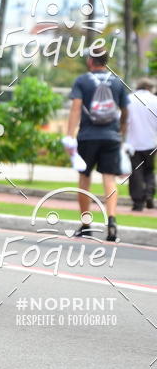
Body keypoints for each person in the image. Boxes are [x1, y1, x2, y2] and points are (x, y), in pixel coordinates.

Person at [66, 50, 128, 242]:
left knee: (84, 179)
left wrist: (69, 135)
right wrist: (121, 132)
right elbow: (125, 110)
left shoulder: (82, 81)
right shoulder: (117, 82)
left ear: (90, 61)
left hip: (88, 137)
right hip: (111, 137)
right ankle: (112, 222)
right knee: (110, 179)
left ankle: (86, 225)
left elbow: (76, 108)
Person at [125, 78, 157, 211]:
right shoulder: (155, 100)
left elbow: (123, 119)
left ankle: (138, 202)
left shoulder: (129, 99)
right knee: (149, 170)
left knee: (135, 171)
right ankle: (149, 194)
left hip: (133, 142)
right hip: (151, 142)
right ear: (150, 88)